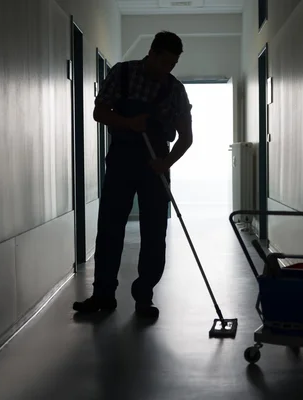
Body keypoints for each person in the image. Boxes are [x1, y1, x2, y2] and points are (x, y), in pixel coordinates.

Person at [73, 31, 193, 319]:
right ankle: (103, 295)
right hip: (122, 159)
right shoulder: (123, 74)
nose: (168, 70)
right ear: (151, 52)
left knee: (154, 232)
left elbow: (186, 137)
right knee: (110, 229)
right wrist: (128, 122)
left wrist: (166, 163)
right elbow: (99, 112)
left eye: (173, 65)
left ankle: (144, 298)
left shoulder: (175, 90)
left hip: (155, 165)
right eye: (164, 62)